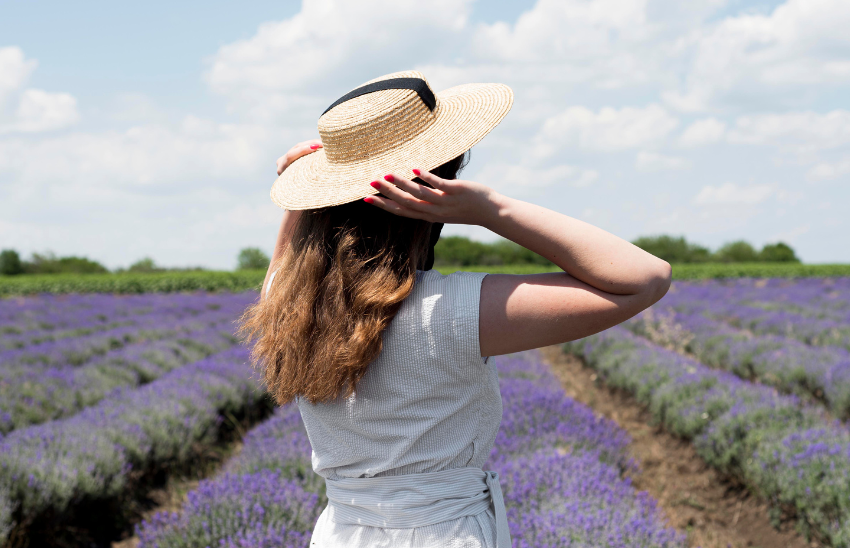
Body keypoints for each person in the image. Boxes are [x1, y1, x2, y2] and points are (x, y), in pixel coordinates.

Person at [239, 71, 671, 548]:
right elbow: (644, 279)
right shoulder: (449, 310)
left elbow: (290, 263)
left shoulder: (290, 304)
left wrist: (308, 185)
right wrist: (492, 210)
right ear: (433, 197)